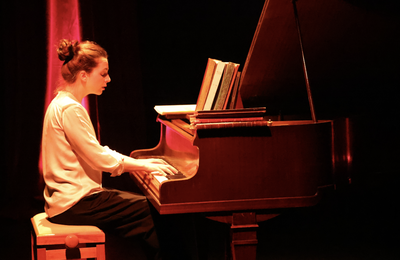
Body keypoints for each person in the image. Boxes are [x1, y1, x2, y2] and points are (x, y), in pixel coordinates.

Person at [41, 39, 177, 259]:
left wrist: (141, 165)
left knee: (150, 211)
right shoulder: (70, 109)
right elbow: (100, 159)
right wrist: (142, 165)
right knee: (153, 211)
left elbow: (97, 151)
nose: (108, 79)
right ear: (84, 75)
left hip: (70, 200)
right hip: (75, 202)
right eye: (103, 73)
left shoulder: (61, 103)